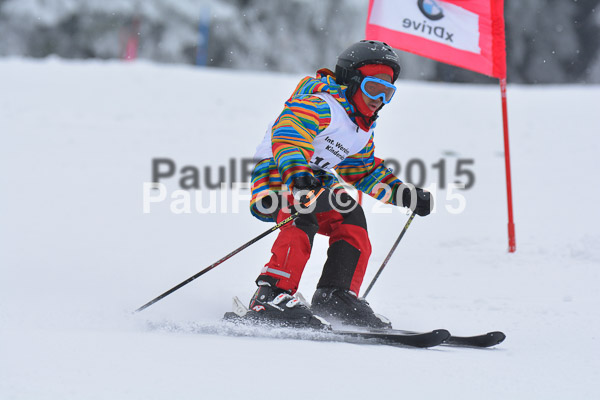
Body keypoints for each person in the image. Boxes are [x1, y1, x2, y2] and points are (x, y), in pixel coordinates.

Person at [246, 40, 432, 329]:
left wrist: (405, 195)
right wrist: (296, 172)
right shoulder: (321, 104)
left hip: (316, 183)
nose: (378, 99)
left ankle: (335, 295)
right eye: (373, 88)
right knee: (303, 213)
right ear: (352, 82)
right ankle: (272, 294)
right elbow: (289, 131)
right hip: (278, 175)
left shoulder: (359, 129)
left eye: (388, 92)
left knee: (351, 216)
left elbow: (364, 171)